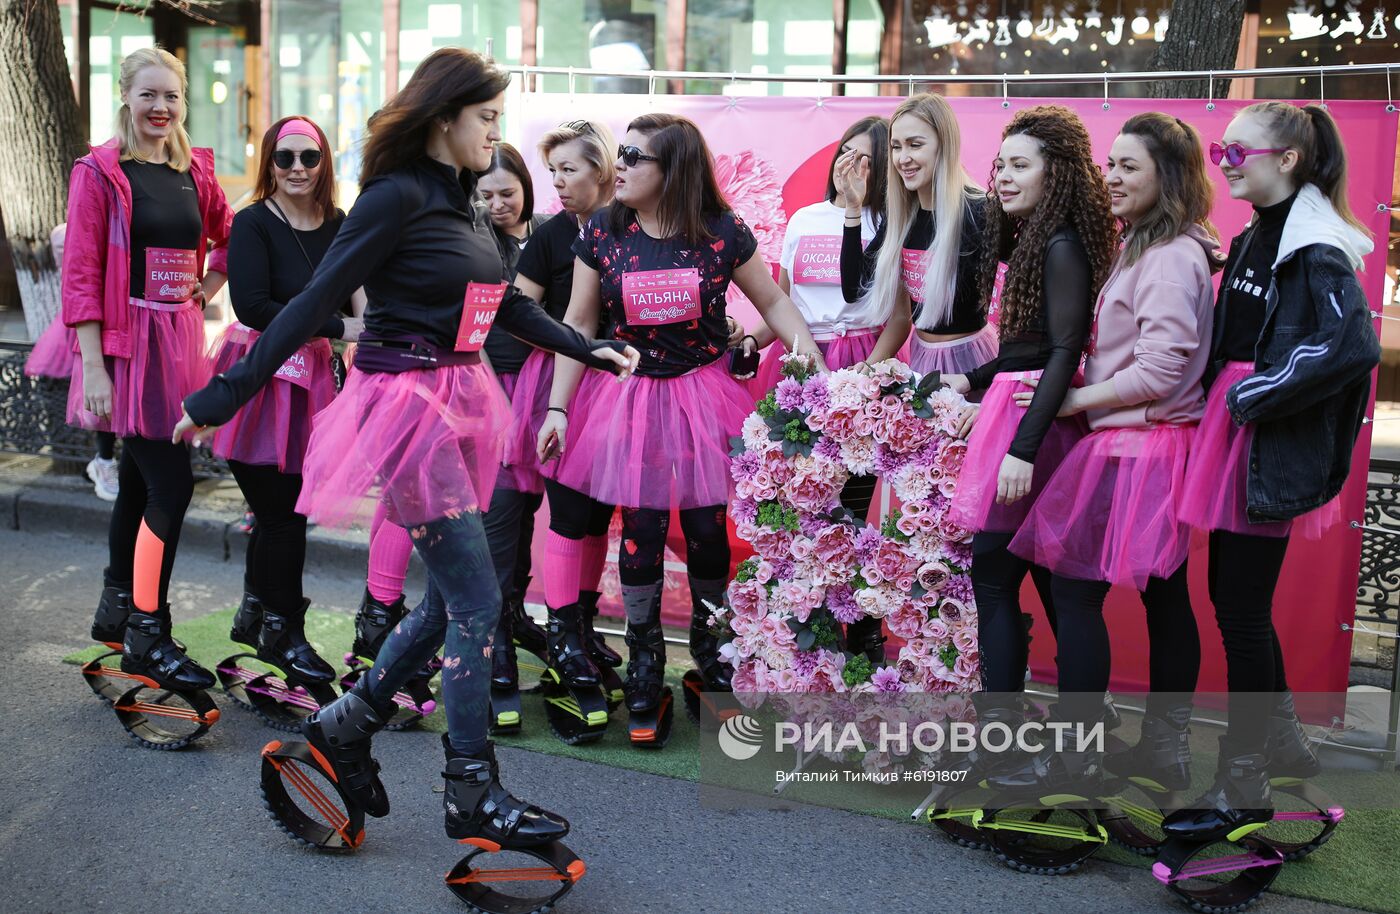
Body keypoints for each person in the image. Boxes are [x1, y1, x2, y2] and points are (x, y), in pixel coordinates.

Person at [176, 48, 639, 846]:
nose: (497, 134)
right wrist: (223, 393)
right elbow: (311, 302)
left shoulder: (464, 200)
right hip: (407, 407)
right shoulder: (392, 198)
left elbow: (496, 307)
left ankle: (346, 725)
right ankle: (471, 789)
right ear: (443, 118)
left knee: (452, 596)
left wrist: (583, 345)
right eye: (486, 118)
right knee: (476, 600)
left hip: (465, 400)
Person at [533, 114, 823, 723]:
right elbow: (580, 324)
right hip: (628, 399)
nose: (622, 165)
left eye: (636, 157)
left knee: (707, 532)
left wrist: (808, 354)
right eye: (624, 153)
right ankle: (643, 661)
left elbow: (771, 299)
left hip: (704, 398)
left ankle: (712, 655)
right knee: (638, 530)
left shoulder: (718, 230)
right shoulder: (604, 231)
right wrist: (558, 405)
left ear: (674, 171)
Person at [1163, 103, 1380, 841]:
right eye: (1221, 148)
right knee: (1234, 599)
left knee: (1241, 610)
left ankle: (1247, 777)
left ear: (1286, 159)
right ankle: (1280, 745)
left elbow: (1350, 346)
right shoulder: (1261, 230)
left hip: (1257, 437)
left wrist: (1252, 394)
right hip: (1237, 437)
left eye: (1237, 149)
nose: (1224, 159)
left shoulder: (1314, 244)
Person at [999, 113, 1220, 791]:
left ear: (1169, 176)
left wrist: (1073, 401)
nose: (1113, 177)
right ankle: (1158, 750)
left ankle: (1074, 758)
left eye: (1130, 166)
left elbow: (1158, 370)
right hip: (1136, 442)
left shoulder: (1172, 255)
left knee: (1076, 592)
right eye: (1110, 165)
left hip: (1140, 446)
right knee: (1161, 598)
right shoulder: (1152, 245)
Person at [941, 105, 1117, 744]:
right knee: (1036, 585)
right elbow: (1027, 350)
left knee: (1015, 582)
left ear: (1057, 172)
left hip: (1032, 432)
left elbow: (1065, 352)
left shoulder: (1062, 242)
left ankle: (1023, 743)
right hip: (1019, 414)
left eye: (1021, 165)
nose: (1004, 177)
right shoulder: (1041, 239)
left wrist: (1022, 448)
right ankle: (1052, 741)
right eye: (1001, 165)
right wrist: (973, 380)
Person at [65, 46, 233, 693]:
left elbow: (227, 232)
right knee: (172, 487)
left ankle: (117, 610)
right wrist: (94, 369)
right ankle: (146, 630)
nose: (160, 108)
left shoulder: (195, 170)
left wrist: (210, 281)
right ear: (126, 98)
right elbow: (80, 273)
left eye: (171, 96)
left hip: (179, 342)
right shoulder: (101, 171)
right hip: (126, 349)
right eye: (148, 95)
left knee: (140, 485)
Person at [210, 115, 365, 685]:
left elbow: (361, 302)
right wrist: (337, 327)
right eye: (285, 157)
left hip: (316, 383)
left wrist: (359, 330)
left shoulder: (339, 221)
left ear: (324, 163)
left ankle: (257, 611)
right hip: (262, 381)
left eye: (309, 157)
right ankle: (283, 631)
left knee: (283, 514)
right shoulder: (252, 222)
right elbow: (252, 306)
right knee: (282, 517)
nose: (297, 168)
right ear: (269, 163)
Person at [490, 119, 623, 692]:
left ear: (603, 169)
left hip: (623, 387)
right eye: (553, 173)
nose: (559, 184)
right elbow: (519, 311)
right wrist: (573, 342)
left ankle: (583, 626)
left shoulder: (639, 225)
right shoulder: (551, 236)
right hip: (560, 384)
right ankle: (563, 637)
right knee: (568, 513)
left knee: (599, 513)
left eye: (569, 170)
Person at [836, 93, 995, 379]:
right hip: (921, 364)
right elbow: (854, 290)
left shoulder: (981, 212)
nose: (903, 158)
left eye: (915, 145)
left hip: (973, 367)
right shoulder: (902, 219)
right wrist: (853, 207)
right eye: (896, 147)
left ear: (944, 146)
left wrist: (974, 380)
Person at [746, 115, 891, 394]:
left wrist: (870, 368)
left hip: (863, 357)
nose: (848, 166)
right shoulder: (803, 219)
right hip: (802, 354)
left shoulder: (885, 224)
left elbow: (900, 318)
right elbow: (782, 303)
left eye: (864, 161)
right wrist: (752, 338)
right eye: (846, 153)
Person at [25, 223, 120, 501]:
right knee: (98, 394)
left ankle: (102, 460)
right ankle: (102, 460)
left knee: (110, 394)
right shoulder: (67, 232)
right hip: (85, 322)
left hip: (106, 318)